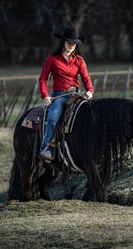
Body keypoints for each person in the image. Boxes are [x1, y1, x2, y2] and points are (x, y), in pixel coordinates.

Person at [38, 26, 94, 161]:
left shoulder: (79, 60)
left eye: (74, 43)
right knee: (52, 118)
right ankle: (46, 148)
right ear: (63, 42)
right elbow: (43, 79)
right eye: (69, 42)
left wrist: (90, 91)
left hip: (77, 94)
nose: (71, 46)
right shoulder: (52, 59)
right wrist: (45, 95)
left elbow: (86, 79)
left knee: (91, 116)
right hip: (59, 96)